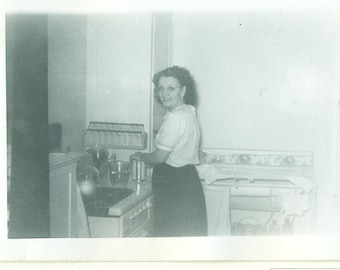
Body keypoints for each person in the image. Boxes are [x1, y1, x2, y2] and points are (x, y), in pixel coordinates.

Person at [130, 66, 207, 237]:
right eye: (161, 88)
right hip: (187, 178)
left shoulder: (175, 117)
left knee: (172, 235)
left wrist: (140, 156)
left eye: (171, 88)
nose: (164, 93)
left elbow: (159, 157)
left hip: (174, 183)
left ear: (183, 90)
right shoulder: (188, 111)